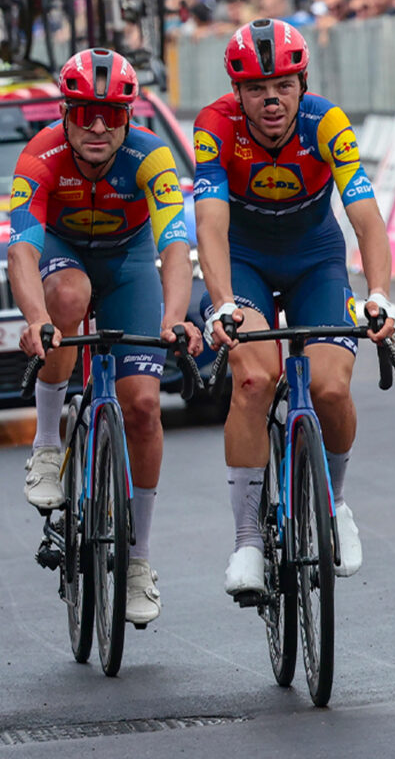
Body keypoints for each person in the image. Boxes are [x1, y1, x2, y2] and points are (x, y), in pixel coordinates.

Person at [193, 18, 395, 596]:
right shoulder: (215, 125)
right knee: (254, 379)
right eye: (257, 88)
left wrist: (379, 294)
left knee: (331, 388)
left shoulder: (326, 123)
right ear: (237, 92)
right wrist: (220, 303)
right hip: (245, 264)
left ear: (302, 84)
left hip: (316, 260)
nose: (272, 100)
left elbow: (366, 217)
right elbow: (210, 224)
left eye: (283, 85)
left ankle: (336, 503)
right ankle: (247, 541)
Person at [8, 48, 202, 624]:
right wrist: (35, 319)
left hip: (128, 263)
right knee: (68, 298)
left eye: (112, 115)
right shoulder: (39, 156)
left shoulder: (150, 155)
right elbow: (22, 252)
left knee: (143, 406)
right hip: (63, 256)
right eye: (86, 114)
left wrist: (172, 318)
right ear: (64, 114)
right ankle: (48, 444)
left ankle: (138, 560)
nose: (98, 127)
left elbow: (174, 246)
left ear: (128, 117)